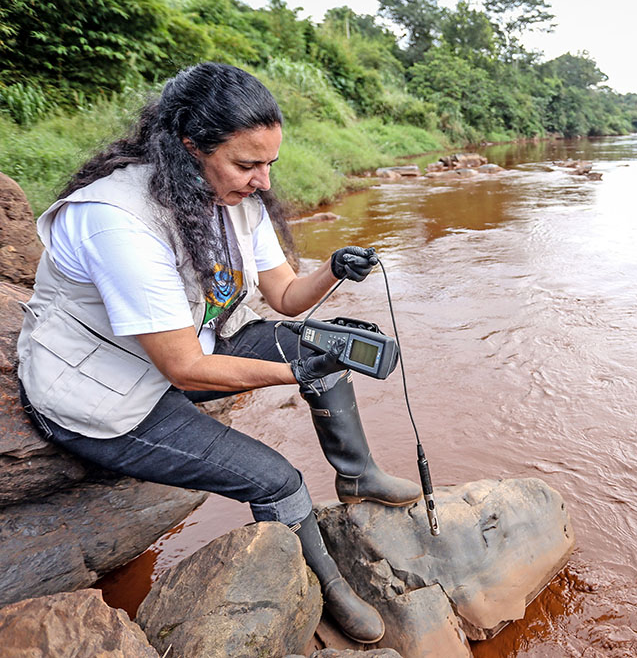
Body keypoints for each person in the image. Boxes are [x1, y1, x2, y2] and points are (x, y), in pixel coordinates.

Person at [15, 62, 418, 644]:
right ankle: (328, 590)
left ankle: (359, 476)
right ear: (188, 146)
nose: (264, 182)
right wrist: (291, 374)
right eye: (247, 164)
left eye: (269, 164)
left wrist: (333, 268)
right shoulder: (117, 221)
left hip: (192, 346)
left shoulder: (233, 197)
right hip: (104, 394)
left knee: (332, 352)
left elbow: (282, 297)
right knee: (276, 480)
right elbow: (183, 367)